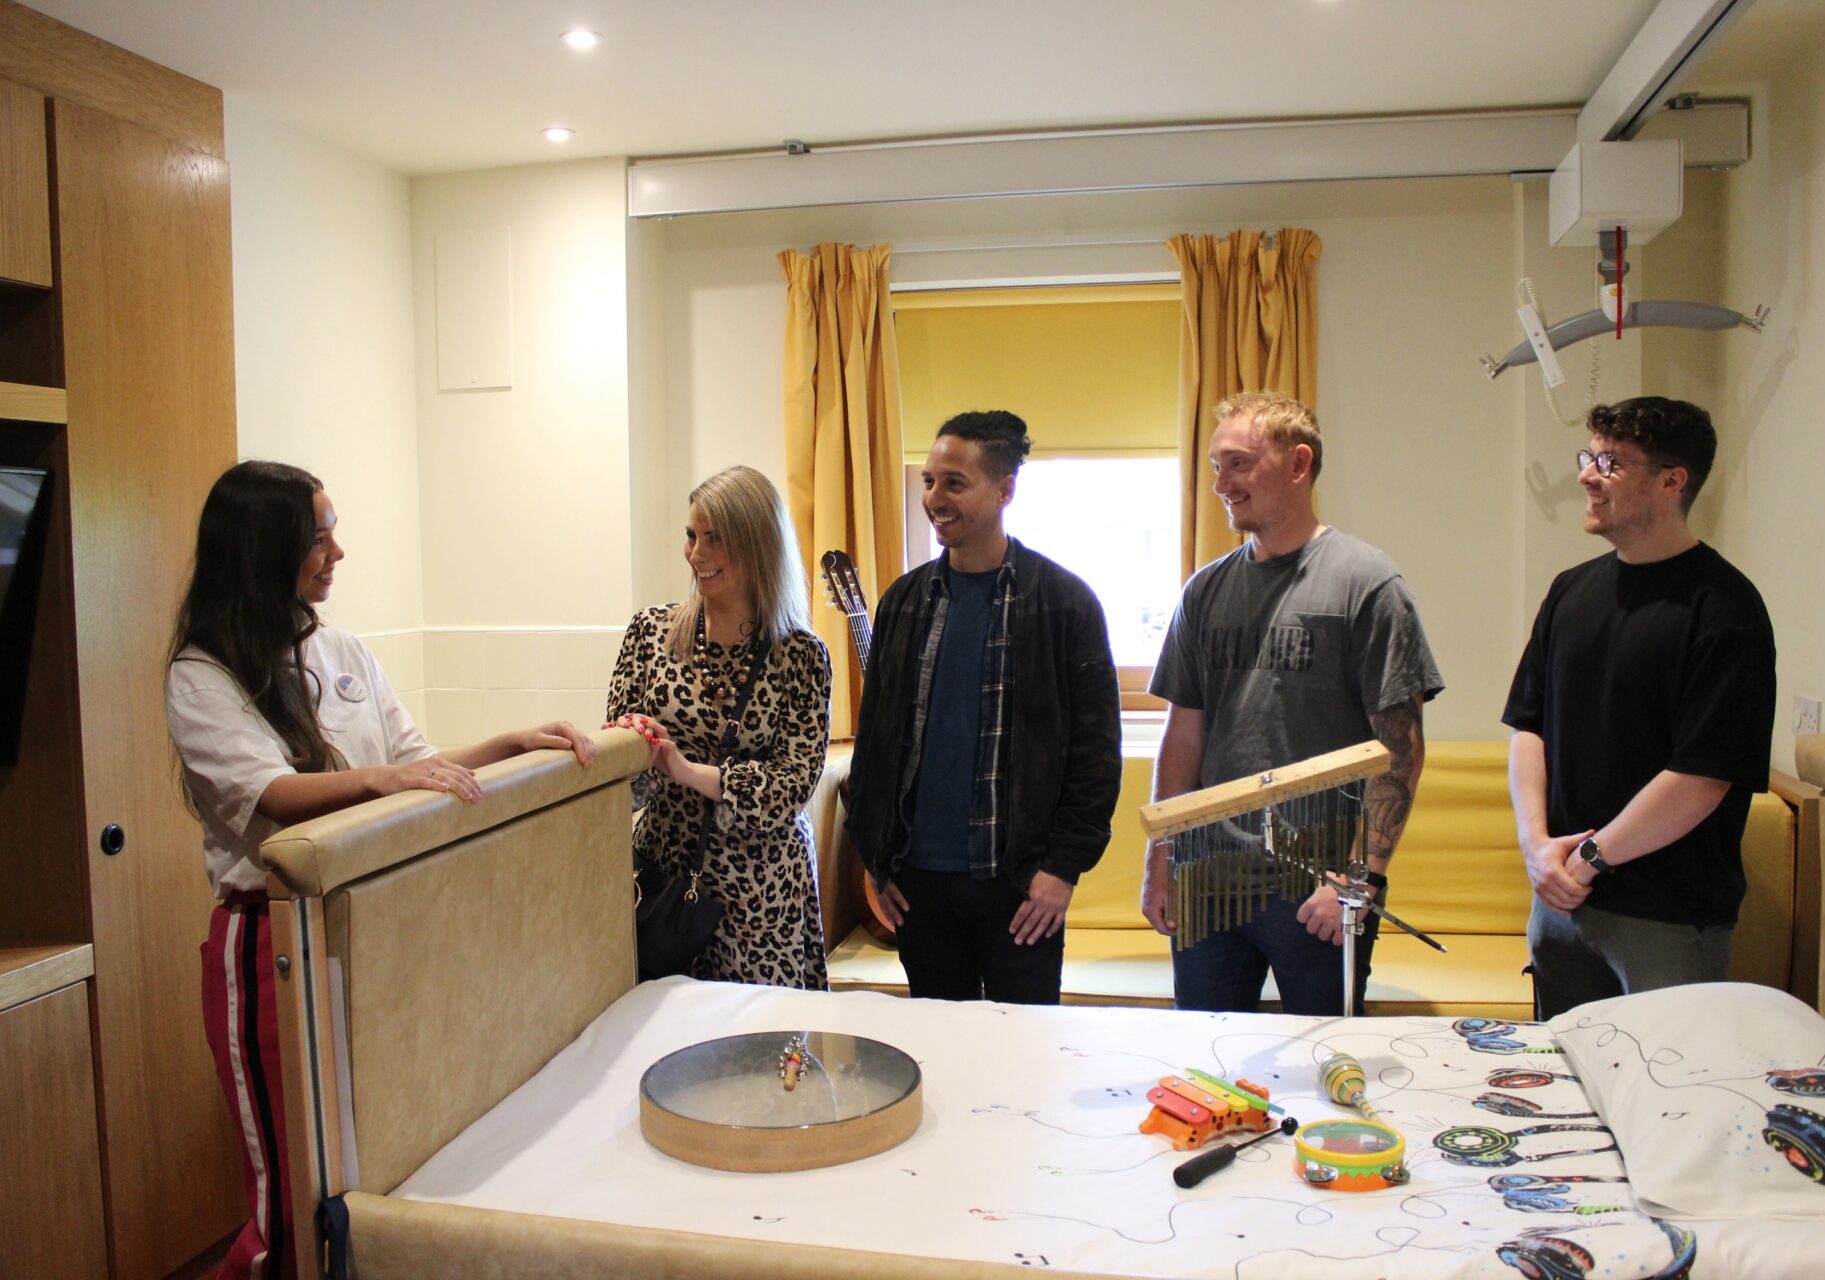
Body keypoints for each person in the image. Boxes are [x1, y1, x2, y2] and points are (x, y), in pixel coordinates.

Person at [166, 460, 593, 1280]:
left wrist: (508, 745)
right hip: (271, 944)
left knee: (367, 1172)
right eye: (318, 533)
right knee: (290, 1195)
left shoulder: (344, 651)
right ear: (265, 547)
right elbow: (277, 795)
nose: (337, 550)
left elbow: (414, 765)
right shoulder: (203, 674)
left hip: (372, 933)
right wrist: (381, 781)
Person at [1141, 391, 1442, 1015]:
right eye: (1216, 465)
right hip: (1209, 882)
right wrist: (1161, 857)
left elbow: (1400, 749)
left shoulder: (1367, 583)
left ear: (1299, 464)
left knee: (1325, 1066)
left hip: (1318, 891)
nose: (1221, 483)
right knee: (1208, 1069)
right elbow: (1184, 737)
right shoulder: (1205, 591)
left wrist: (1360, 879)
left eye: (1239, 464)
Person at [1504, 397, 1775, 1020]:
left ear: (1671, 480)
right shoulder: (1571, 590)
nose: (1586, 476)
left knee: (1667, 1096)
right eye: (1589, 456)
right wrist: (1536, 847)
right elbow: (1529, 726)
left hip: (1668, 919)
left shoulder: (1726, 608)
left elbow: (1702, 776)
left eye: (1610, 462)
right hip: (1560, 904)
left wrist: (1590, 859)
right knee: (1559, 1095)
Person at [847, 410, 1121, 1004]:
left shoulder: (1064, 605)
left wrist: (1062, 871)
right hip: (919, 886)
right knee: (940, 1056)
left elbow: (1095, 756)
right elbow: (876, 743)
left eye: (954, 482)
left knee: (1022, 1060)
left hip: (1020, 889)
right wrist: (877, 859)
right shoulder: (905, 602)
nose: (935, 498)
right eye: (928, 481)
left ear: (1004, 490)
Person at [605, 465, 831, 989]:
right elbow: (624, 786)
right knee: (660, 1041)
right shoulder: (649, 632)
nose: (697, 554)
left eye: (715, 539)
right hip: (664, 880)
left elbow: (788, 788)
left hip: (762, 892)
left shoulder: (800, 655)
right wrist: (632, 747)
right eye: (691, 535)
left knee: (756, 1048)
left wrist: (683, 768)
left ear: (758, 546)